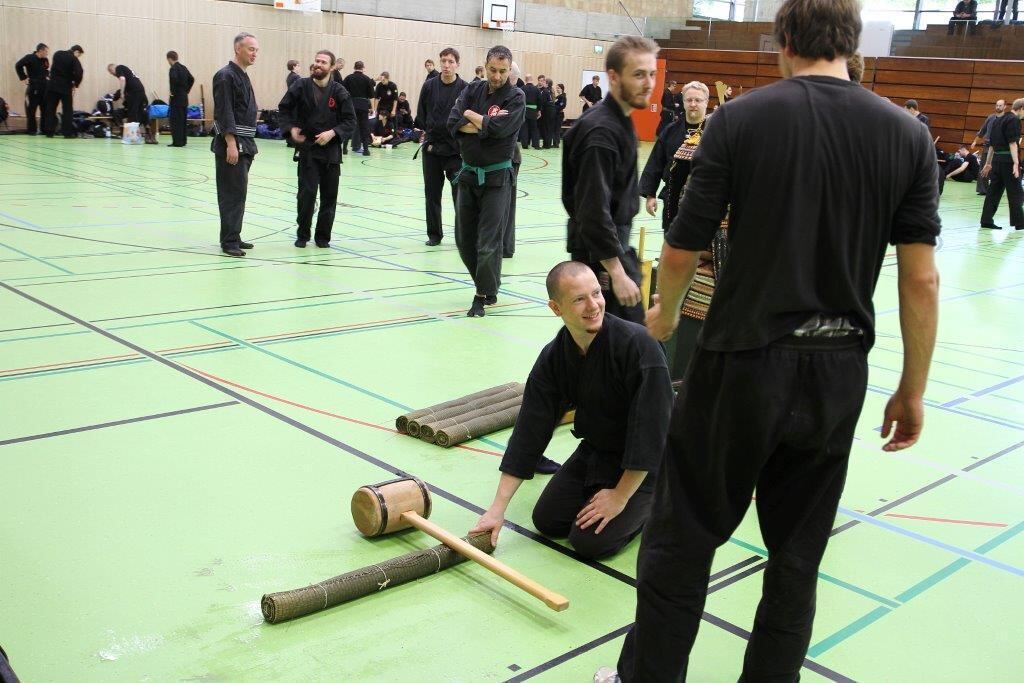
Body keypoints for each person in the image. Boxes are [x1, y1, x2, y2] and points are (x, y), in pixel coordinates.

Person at [605, 2, 941, 681]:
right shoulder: (908, 135)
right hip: (836, 373)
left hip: (739, 366)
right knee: (796, 560)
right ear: (852, 43)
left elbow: (680, 247)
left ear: (786, 41)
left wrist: (664, 317)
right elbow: (922, 280)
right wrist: (912, 387)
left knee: (682, 541)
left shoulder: (740, 119)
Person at [470, 261, 673, 560]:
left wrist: (620, 496)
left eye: (596, 294)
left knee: (590, 543)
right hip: (599, 451)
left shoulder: (639, 346)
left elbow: (652, 433)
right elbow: (530, 431)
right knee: (548, 521)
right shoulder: (554, 357)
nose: (593, 306)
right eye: (579, 299)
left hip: (653, 462)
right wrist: (495, 511)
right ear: (556, 307)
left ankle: (659, 498)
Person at [562, 36, 658, 325]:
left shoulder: (619, 120)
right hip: (600, 258)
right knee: (629, 346)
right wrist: (616, 273)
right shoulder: (601, 134)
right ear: (613, 77)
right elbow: (592, 210)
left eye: (652, 74)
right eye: (639, 74)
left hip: (611, 249)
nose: (649, 83)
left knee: (616, 348)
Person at [447, 44, 525, 317]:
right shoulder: (472, 90)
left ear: (509, 70)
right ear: (486, 65)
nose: (496, 76)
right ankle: (488, 285)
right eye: (493, 69)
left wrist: (472, 118)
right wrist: (476, 121)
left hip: (497, 178)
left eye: (502, 71)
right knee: (463, 239)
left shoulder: (516, 97)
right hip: (469, 174)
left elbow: (501, 130)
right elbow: (453, 122)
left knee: (488, 241)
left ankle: (481, 296)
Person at [278, 49, 356, 250]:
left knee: (329, 197)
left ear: (331, 67)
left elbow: (350, 121)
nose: (318, 64)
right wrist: (291, 129)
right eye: (316, 61)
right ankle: (302, 233)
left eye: (323, 62)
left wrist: (333, 132)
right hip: (308, 150)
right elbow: (284, 109)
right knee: (307, 194)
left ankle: (323, 237)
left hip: (331, 152)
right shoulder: (300, 86)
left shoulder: (339, 91)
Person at [212, 32, 260, 257]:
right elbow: (224, 111)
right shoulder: (225, 76)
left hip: (245, 142)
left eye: (256, 50)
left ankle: (234, 234)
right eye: (251, 49)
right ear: (237, 49)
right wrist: (230, 142)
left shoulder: (242, 75)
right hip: (233, 143)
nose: (254, 54)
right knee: (231, 192)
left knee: (239, 191)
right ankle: (229, 241)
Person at [640, 80, 709, 233]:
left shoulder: (717, 132)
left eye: (698, 100)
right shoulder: (670, 131)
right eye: (689, 100)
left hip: (705, 200)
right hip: (672, 198)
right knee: (672, 241)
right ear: (683, 102)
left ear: (706, 102)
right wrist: (650, 194)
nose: (693, 104)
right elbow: (656, 162)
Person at [416, 47, 468, 247]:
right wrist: (428, 135)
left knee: (460, 195)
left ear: (457, 64)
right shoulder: (429, 86)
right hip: (432, 150)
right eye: (443, 61)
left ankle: (462, 235)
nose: (446, 65)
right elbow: (422, 114)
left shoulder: (465, 88)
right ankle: (434, 234)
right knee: (432, 194)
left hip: (456, 151)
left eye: (450, 62)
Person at [980, 97, 1024, 230]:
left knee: (993, 192)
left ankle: (986, 220)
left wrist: (988, 163)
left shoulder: (998, 119)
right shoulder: (1014, 120)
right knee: (1015, 192)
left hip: (997, 161)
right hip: (1008, 162)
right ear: (1021, 108)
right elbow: (1012, 143)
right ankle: (1020, 223)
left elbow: (992, 145)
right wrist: (1016, 164)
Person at [42, 45, 83, 139]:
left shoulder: (57, 53)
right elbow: (79, 72)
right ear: (76, 51)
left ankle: (49, 132)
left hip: (52, 86)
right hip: (65, 87)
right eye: (79, 55)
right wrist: (76, 84)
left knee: (50, 109)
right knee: (67, 110)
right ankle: (67, 133)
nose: (78, 57)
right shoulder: (73, 58)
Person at [108, 63, 155, 144]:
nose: (113, 74)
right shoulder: (128, 71)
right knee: (141, 113)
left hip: (134, 93)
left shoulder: (119, 68)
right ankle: (148, 135)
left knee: (132, 114)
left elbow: (122, 79)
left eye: (111, 72)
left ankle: (132, 138)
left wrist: (122, 93)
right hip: (141, 92)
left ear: (112, 69)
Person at [971, 98, 1006, 196]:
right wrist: (975, 141)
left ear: (1004, 106)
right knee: (983, 167)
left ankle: (997, 189)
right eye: (997, 105)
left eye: (1000, 105)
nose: (998, 107)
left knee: (998, 169)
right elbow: (982, 130)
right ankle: (983, 189)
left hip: (1000, 147)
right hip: (987, 145)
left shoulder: (1006, 119)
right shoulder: (990, 117)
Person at [15, 43, 49, 135]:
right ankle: (32, 130)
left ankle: (44, 129)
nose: (47, 53)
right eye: (46, 51)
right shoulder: (29, 57)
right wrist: (24, 77)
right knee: (31, 110)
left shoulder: (45, 60)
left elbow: (46, 70)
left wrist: (48, 76)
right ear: (40, 50)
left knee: (45, 110)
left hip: (44, 88)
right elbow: (18, 65)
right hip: (33, 88)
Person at [344, 61, 375, 156]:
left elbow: (343, 92)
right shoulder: (367, 79)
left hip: (351, 105)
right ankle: (366, 150)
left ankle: (344, 149)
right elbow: (371, 95)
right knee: (364, 127)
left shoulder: (348, 78)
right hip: (363, 105)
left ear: (354, 67)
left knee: (349, 126)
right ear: (363, 68)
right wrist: (372, 108)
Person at [167, 51, 195, 148]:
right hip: (184, 98)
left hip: (176, 99)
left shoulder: (173, 69)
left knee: (175, 121)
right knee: (183, 120)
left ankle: (177, 142)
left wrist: (172, 92)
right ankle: (183, 141)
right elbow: (192, 79)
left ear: (170, 59)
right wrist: (186, 90)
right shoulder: (183, 68)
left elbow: (174, 79)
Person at [521, 73, 542, 149]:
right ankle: (536, 145)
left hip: (524, 111)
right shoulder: (536, 89)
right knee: (534, 128)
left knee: (524, 128)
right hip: (533, 111)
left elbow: (519, 100)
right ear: (532, 80)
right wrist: (539, 110)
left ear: (525, 80)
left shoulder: (522, 88)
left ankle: (525, 145)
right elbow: (540, 100)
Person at [541, 77, 559, 149]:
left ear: (547, 83)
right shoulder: (551, 90)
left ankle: (546, 145)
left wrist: (539, 110)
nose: (542, 83)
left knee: (546, 128)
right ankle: (548, 144)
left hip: (547, 111)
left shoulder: (545, 91)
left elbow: (543, 102)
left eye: (544, 82)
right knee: (550, 128)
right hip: (552, 111)